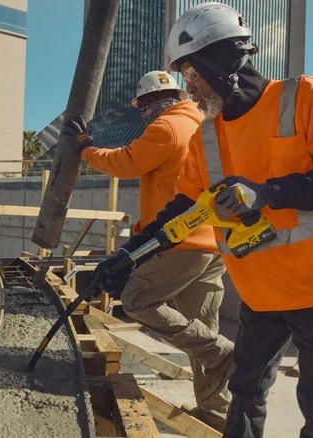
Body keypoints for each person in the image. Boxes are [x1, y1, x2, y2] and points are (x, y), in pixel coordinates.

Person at [96, 3, 313, 437]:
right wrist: (128, 255)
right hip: (261, 294)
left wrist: (270, 193)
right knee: (244, 394)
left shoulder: (304, 96)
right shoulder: (207, 136)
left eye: (191, 75)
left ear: (223, 58)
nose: (189, 90)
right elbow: (183, 212)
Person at [62, 71, 234, 430]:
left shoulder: (166, 128)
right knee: (201, 331)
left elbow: (125, 161)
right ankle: (217, 416)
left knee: (139, 300)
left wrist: (85, 148)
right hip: (213, 241)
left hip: (181, 239)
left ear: (152, 102)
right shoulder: (202, 123)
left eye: (141, 106)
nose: (141, 114)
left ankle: (224, 352)